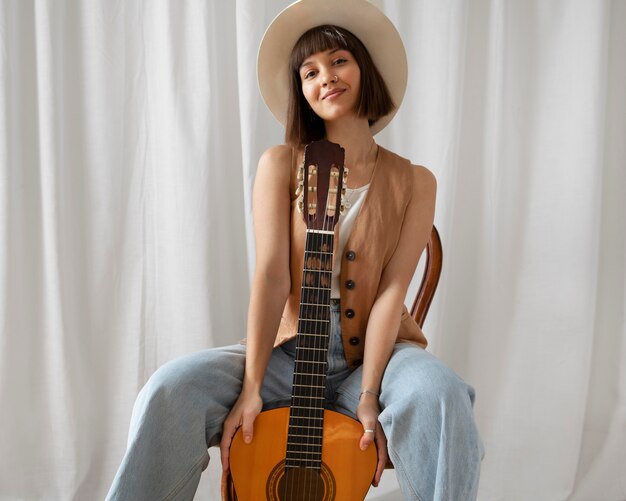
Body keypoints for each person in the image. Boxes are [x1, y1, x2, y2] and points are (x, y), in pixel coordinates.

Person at [106, 1, 483, 500]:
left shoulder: (416, 180)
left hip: (378, 352)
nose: (325, 77)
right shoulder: (281, 163)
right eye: (309, 72)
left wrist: (369, 394)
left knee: (442, 395)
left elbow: (394, 289)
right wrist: (251, 387)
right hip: (287, 350)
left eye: (338, 60)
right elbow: (271, 277)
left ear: (365, 68)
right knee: (170, 389)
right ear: (301, 92)